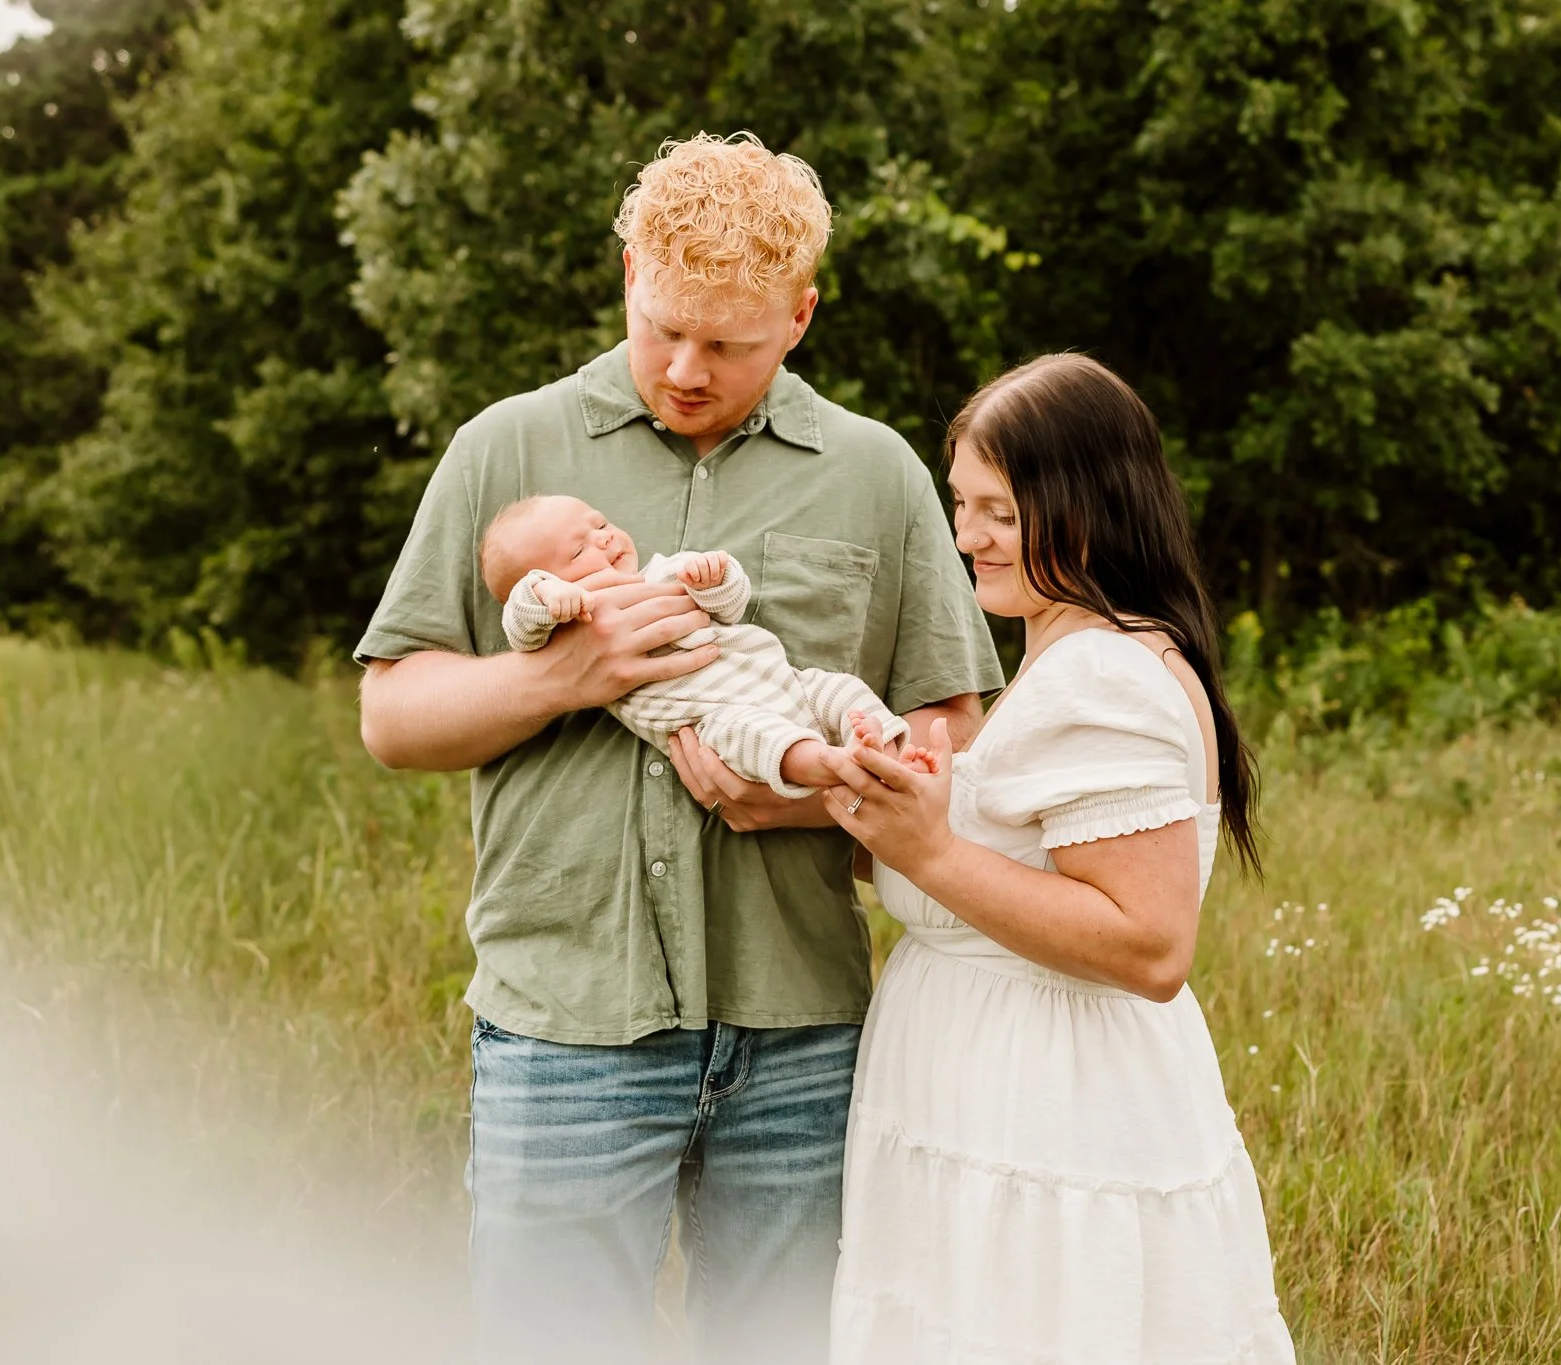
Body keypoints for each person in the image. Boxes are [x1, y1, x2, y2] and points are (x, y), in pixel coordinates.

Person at [354, 132, 1001, 1364]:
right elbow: (392, 714)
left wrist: (816, 803)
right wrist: (562, 676)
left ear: (800, 316)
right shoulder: (508, 449)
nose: (687, 368)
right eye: (663, 328)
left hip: (801, 1034)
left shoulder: (873, 475)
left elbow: (948, 730)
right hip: (567, 1029)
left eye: (730, 343)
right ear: (628, 273)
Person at [819, 354, 1298, 1364]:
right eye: (959, 503)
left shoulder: (1103, 679)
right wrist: (869, 815)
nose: (964, 537)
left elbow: (1147, 945)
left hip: (1046, 1105)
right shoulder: (1063, 648)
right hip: (987, 1087)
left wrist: (932, 850)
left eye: (997, 510)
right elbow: (1008, 872)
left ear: (1082, 502)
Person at [482, 493, 908, 794]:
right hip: (716, 715)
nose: (605, 539)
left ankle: (886, 752)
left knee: (841, 690)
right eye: (578, 551)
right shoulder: (570, 624)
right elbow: (520, 624)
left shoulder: (664, 571)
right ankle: (827, 763)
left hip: (787, 680)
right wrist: (546, 596)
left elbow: (730, 605)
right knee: (753, 738)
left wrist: (714, 577)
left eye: (601, 524)